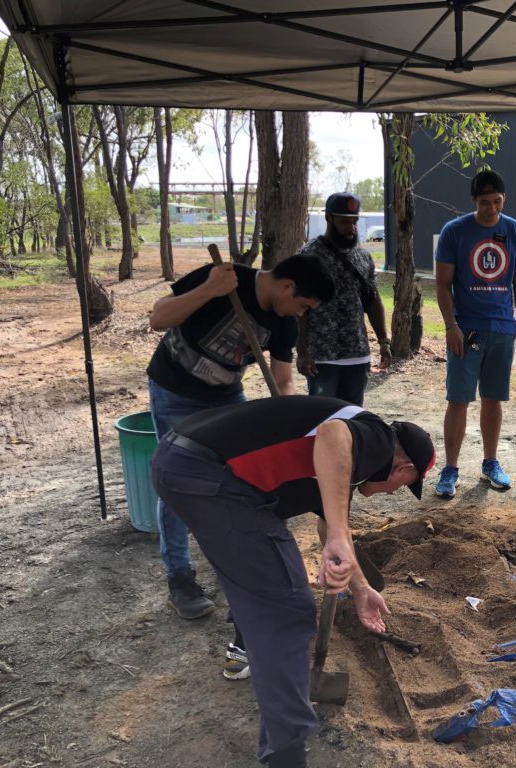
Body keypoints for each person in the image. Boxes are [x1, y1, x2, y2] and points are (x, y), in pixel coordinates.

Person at [151, 396, 435, 768]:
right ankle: (287, 758)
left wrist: (361, 588)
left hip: (183, 462)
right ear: (403, 466)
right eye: (405, 484)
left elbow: (330, 525)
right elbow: (333, 436)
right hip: (212, 476)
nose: (395, 491)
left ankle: (245, 644)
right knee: (288, 611)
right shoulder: (377, 439)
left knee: (259, 580)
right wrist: (338, 533)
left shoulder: (349, 463)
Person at [147, 254, 335, 624]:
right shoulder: (223, 278)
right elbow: (158, 319)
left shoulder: (284, 323)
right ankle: (180, 577)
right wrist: (208, 290)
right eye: (302, 305)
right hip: (174, 391)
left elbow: (283, 380)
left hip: (226, 396)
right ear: (287, 287)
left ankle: (244, 575)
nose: (301, 314)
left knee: (245, 481)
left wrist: (290, 418)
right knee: (177, 483)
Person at [433, 169, 516, 498]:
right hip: (466, 330)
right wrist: (451, 326)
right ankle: (450, 468)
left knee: (493, 398)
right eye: (485, 202)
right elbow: (442, 285)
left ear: (505, 199)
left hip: (502, 329)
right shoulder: (455, 231)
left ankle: (491, 463)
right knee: (458, 399)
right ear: (474, 201)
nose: (492, 209)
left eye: (497, 202)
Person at [296, 192, 391, 406]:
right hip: (322, 356)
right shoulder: (309, 256)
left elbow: (373, 301)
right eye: (344, 222)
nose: (351, 228)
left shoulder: (363, 257)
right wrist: (302, 351)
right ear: (329, 218)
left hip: (357, 354)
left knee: (353, 417)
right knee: (323, 416)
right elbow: (299, 308)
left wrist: (384, 341)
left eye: (354, 222)